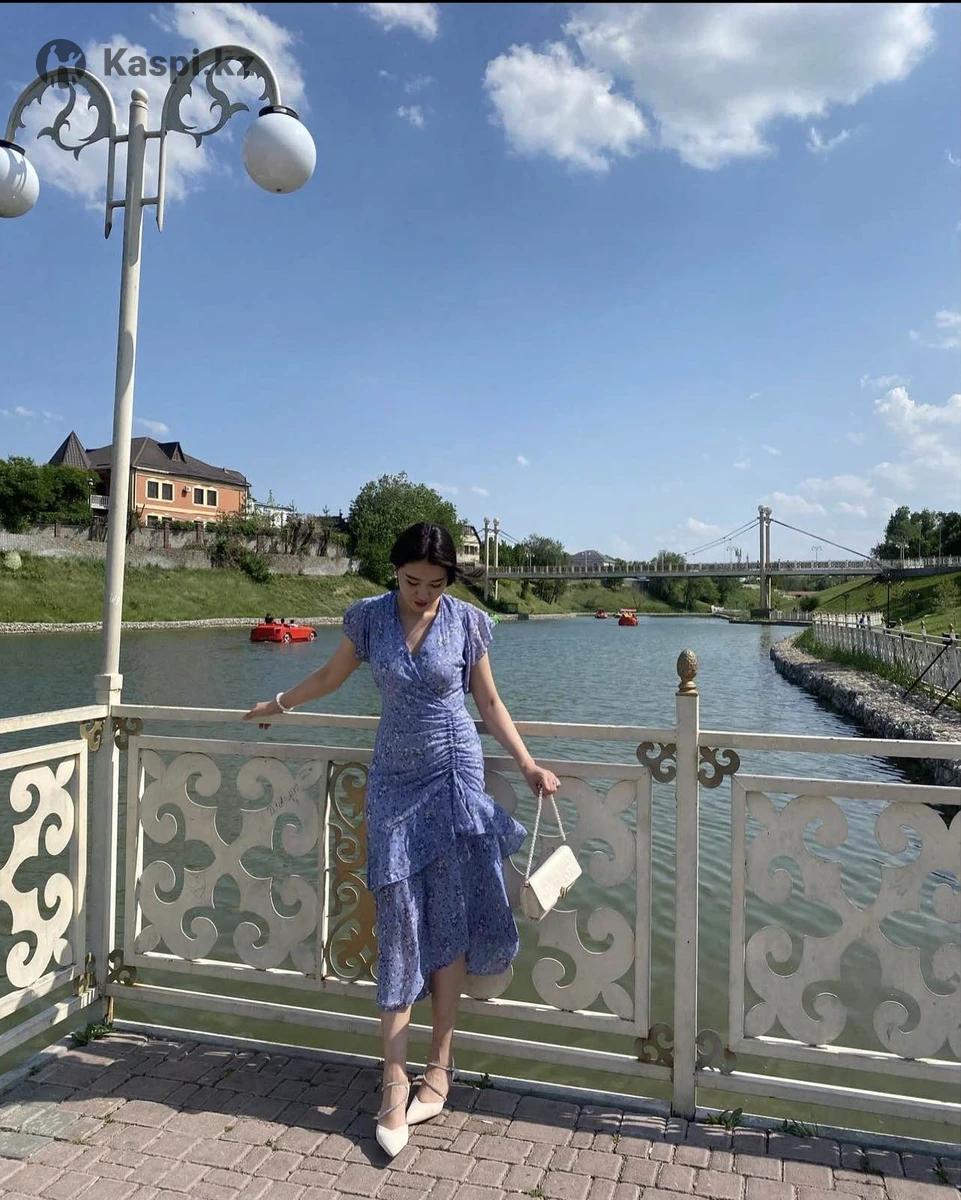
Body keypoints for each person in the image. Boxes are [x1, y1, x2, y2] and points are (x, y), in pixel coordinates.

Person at [243, 522, 559, 1158]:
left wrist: (527, 765)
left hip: (454, 772)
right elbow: (330, 677)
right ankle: (392, 1078)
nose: (422, 594)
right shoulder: (368, 617)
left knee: (450, 915)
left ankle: (439, 1066)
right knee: (399, 920)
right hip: (393, 780)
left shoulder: (466, 622)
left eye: (435, 585)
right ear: (395, 572)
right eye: (413, 581)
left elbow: (488, 702)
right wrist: (279, 702)